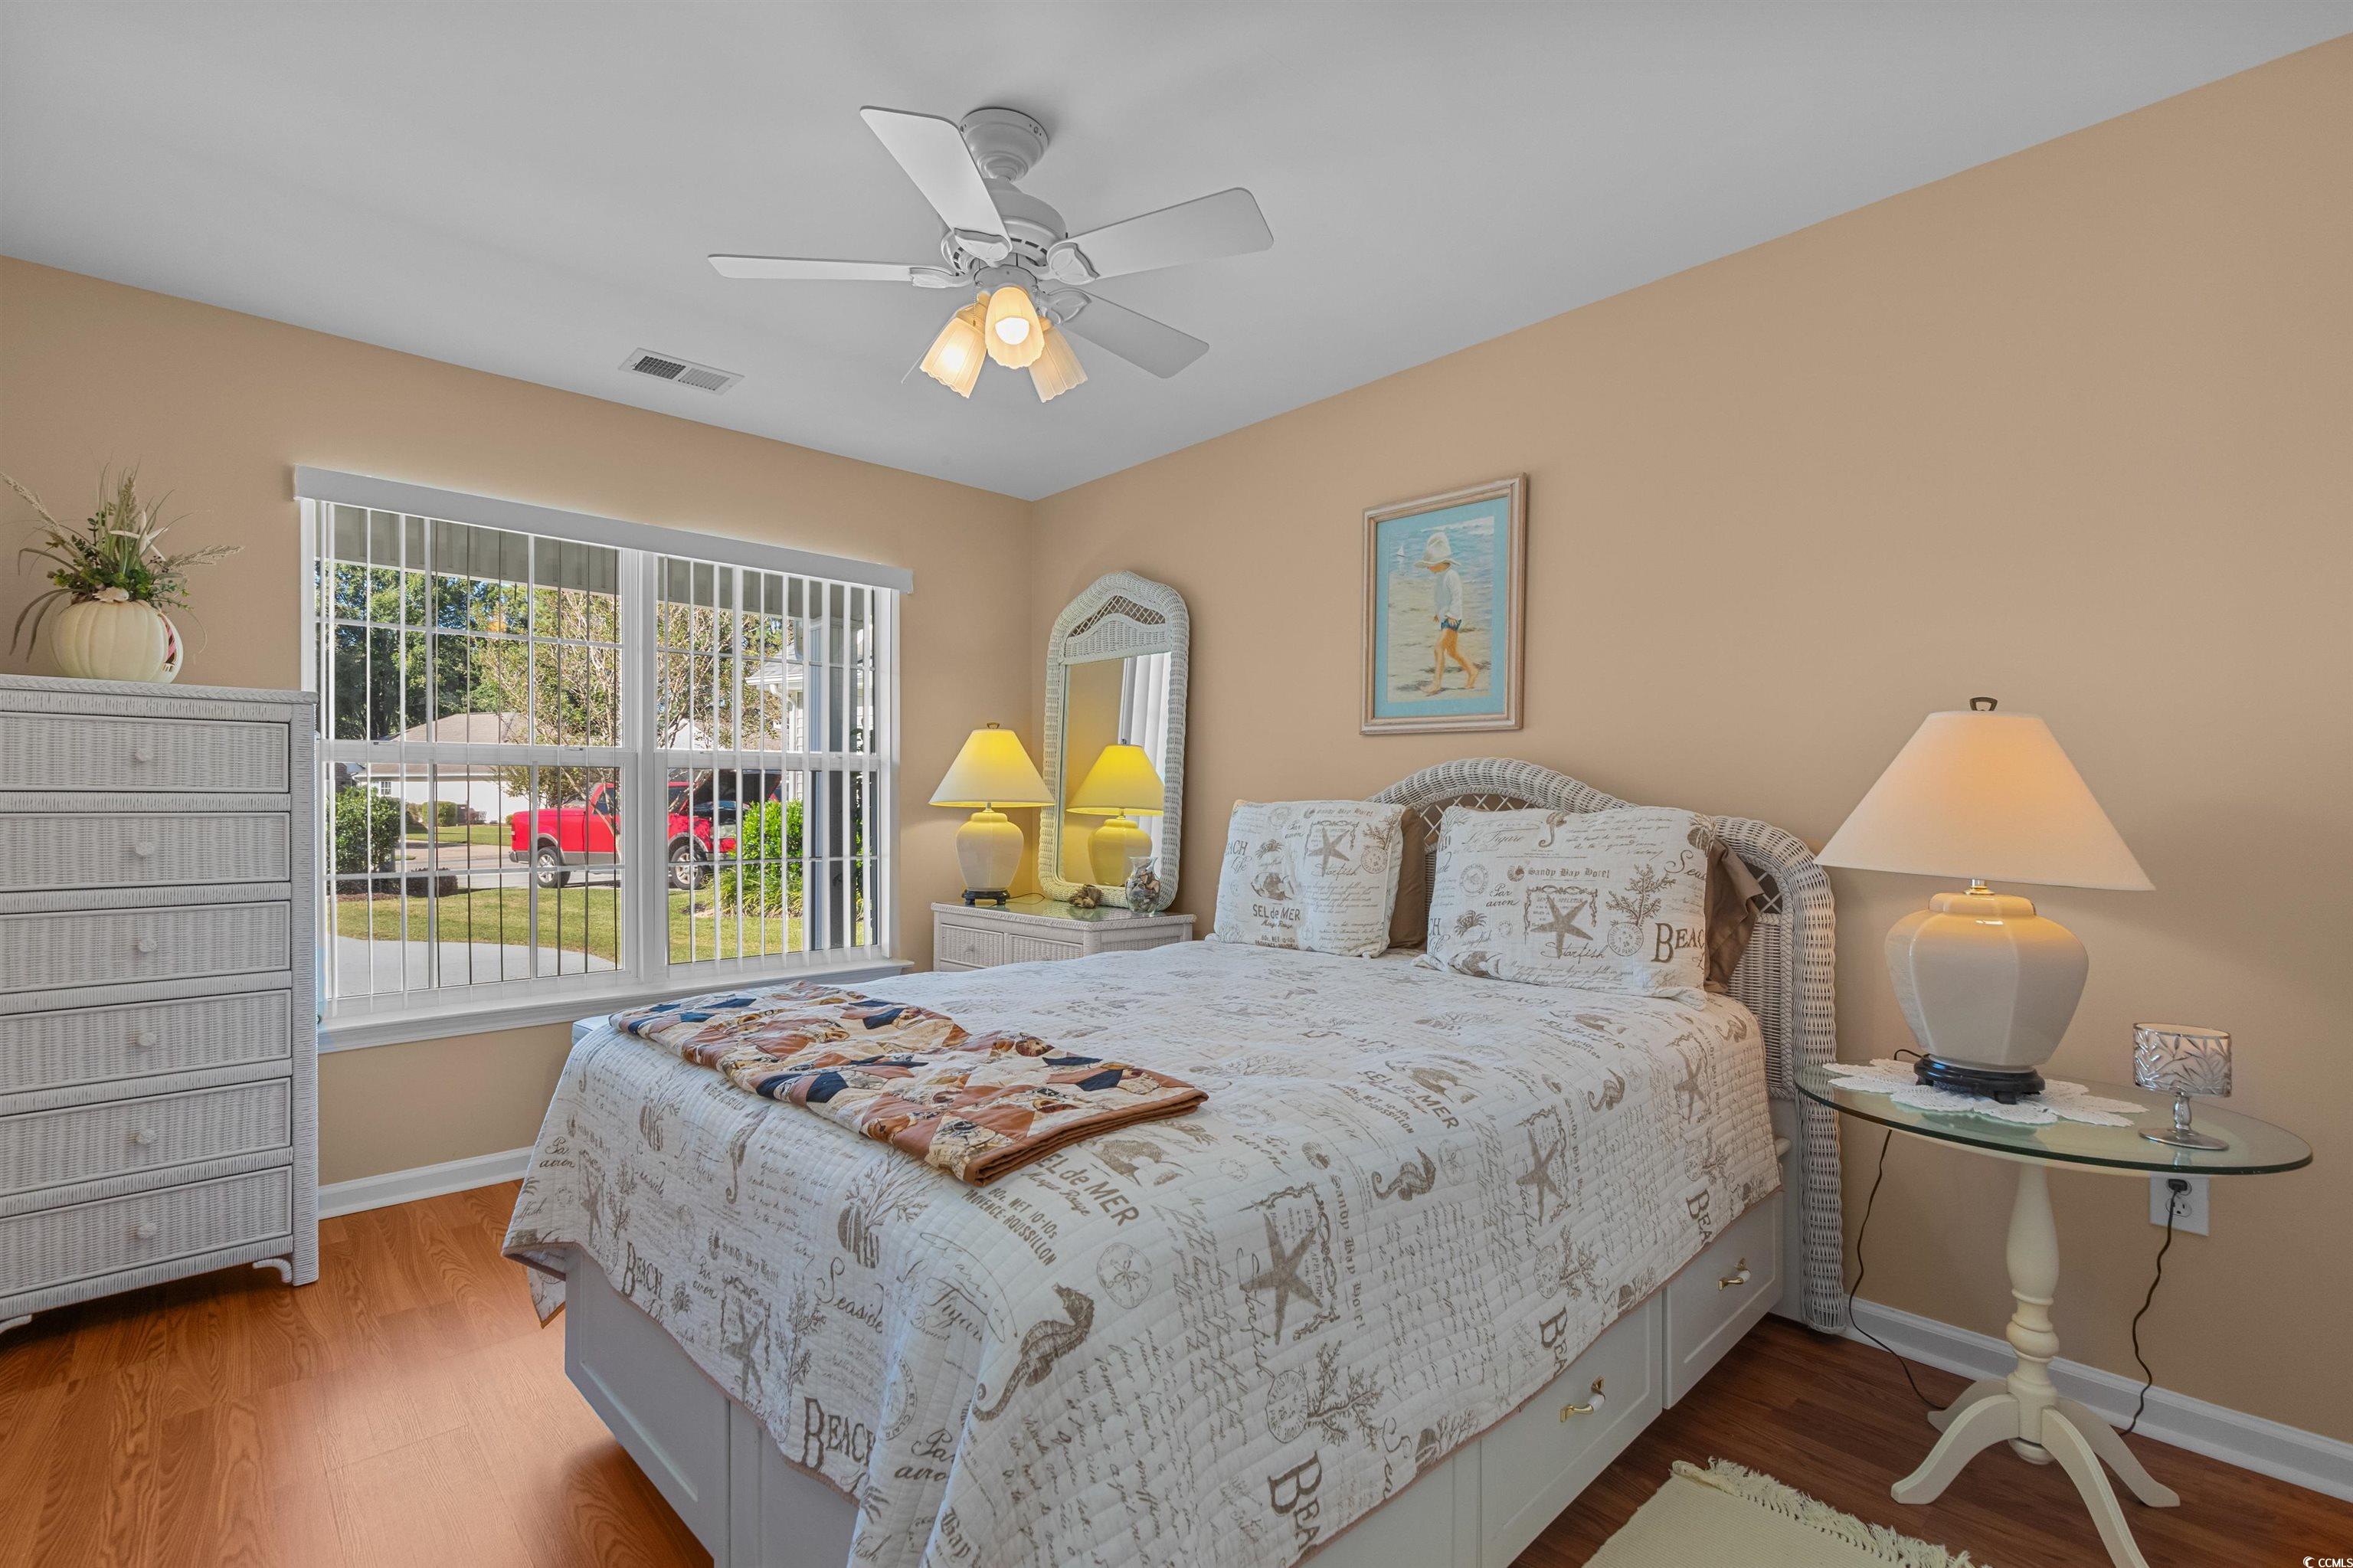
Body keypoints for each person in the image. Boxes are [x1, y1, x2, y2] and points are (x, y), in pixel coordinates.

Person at [1419, 530, 1478, 695]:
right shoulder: (1440, 576)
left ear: (1441, 562)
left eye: (1430, 564)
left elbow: (1457, 597)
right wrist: (1438, 613)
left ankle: (1436, 684)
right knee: (1452, 651)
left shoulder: (1452, 575)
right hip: (1446, 618)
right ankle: (1472, 671)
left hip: (1453, 619)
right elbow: (1442, 599)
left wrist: (1452, 615)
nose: (1428, 567)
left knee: (1438, 648)